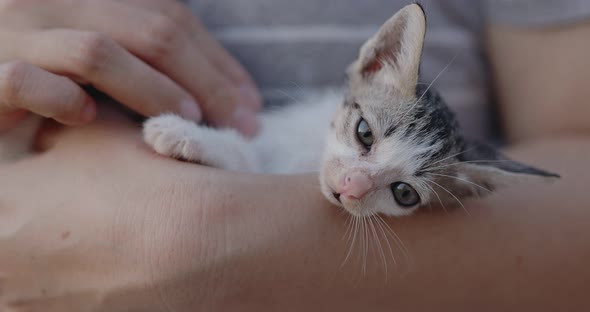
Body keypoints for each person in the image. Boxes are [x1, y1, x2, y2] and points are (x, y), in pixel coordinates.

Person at [1, 0, 589, 310]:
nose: (355, 188)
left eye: (402, 193)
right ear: (377, 64)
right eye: (363, 137)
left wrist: (206, 241)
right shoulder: (332, 108)